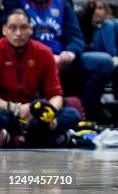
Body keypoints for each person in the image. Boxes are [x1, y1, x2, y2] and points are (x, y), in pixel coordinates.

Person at [0, 9, 81, 147]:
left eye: (23, 27)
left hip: (34, 116)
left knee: (72, 114)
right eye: (13, 28)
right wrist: (15, 109)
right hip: (6, 112)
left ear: (31, 29)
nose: (18, 33)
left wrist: (50, 112)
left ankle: (14, 139)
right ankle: (52, 139)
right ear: (4, 30)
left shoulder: (44, 52)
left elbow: (55, 94)